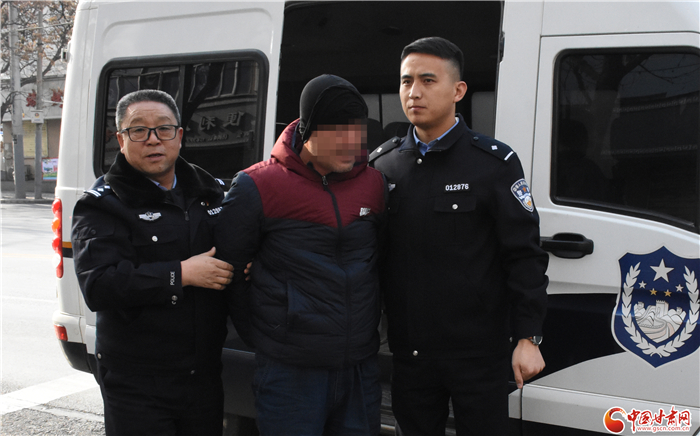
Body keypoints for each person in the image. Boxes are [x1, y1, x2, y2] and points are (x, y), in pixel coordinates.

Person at [370, 37, 549, 435]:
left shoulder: (493, 163)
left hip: (478, 353)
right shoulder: (384, 166)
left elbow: (524, 255)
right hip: (410, 352)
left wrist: (528, 336)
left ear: (458, 90)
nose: (414, 92)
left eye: (428, 80)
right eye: (406, 81)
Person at [215, 74, 387, 436]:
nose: (351, 144)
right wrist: (265, 338)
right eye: (338, 133)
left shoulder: (373, 183)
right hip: (290, 373)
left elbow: (383, 261)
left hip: (359, 367)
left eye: (356, 132)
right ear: (308, 132)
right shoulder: (257, 185)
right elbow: (229, 272)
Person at [71, 89, 234, 436]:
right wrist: (180, 274)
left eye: (163, 128)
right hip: (138, 380)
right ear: (121, 139)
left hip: (202, 374)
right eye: (139, 130)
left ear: (179, 135)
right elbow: (98, 285)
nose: (153, 139)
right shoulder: (103, 204)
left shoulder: (210, 193)